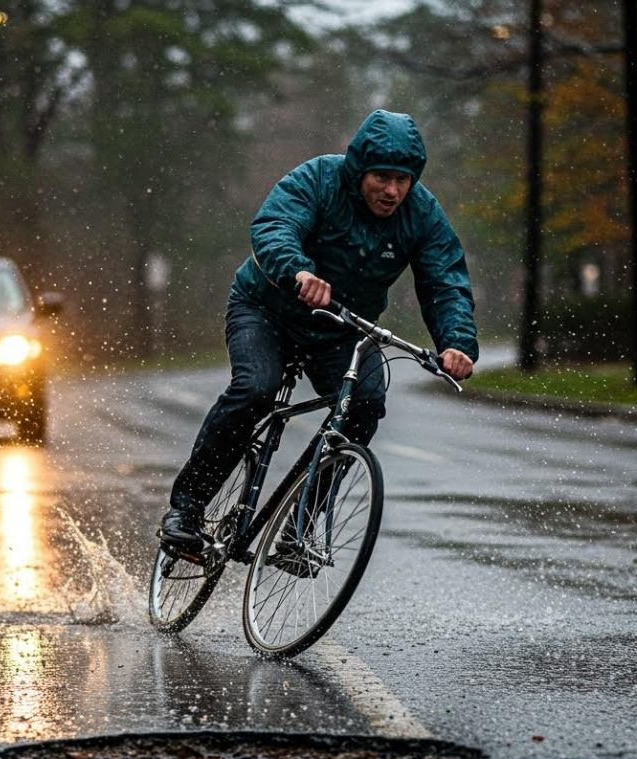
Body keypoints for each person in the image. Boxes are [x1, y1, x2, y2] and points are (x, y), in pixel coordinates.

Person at [159, 108, 478, 554]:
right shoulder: (318, 179)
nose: (392, 191)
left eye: (402, 180)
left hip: (341, 328)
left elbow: (444, 281)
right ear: (360, 168)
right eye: (382, 177)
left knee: (365, 403)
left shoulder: (421, 214)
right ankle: (186, 510)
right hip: (266, 309)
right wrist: (299, 271)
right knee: (256, 389)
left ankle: (299, 525)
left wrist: (456, 343)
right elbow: (275, 226)